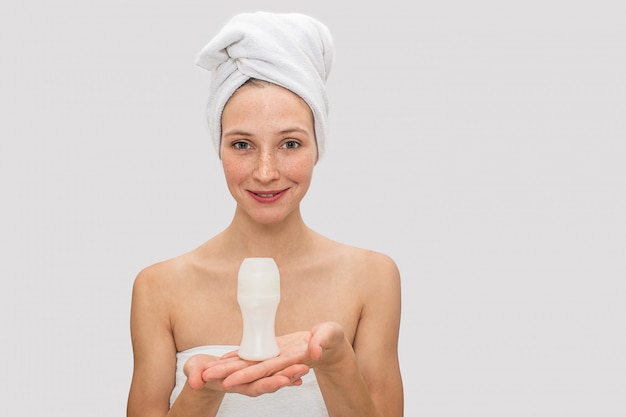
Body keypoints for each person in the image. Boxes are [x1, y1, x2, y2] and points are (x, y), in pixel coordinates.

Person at [126, 11, 403, 417]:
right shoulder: (158, 289)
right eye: (242, 145)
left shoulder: (373, 279)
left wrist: (336, 363)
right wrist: (203, 392)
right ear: (218, 147)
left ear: (317, 147)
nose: (266, 172)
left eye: (290, 144)